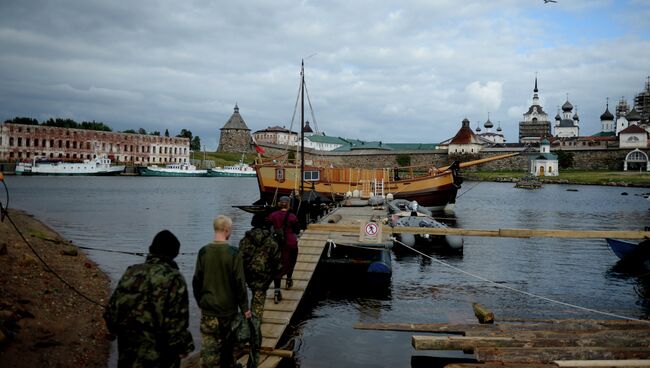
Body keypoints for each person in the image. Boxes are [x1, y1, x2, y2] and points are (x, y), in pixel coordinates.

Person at [103, 230, 194, 368]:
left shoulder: (131, 271)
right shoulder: (174, 278)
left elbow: (111, 313)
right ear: (174, 254)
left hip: (127, 356)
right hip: (159, 360)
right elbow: (177, 325)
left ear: (151, 250)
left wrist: (118, 333)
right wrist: (184, 348)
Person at [193, 215, 251, 368]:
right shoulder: (233, 253)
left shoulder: (203, 252)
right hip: (228, 311)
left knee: (208, 351)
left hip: (208, 310)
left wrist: (201, 302)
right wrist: (245, 308)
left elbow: (196, 281)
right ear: (227, 230)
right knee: (228, 350)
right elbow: (240, 283)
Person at [239, 213, 282, 368]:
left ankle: (243, 332)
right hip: (263, 280)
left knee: (246, 307)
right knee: (257, 308)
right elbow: (278, 264)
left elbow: (239, 260)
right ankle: (254, 342)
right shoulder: (271, 241)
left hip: (247, 278)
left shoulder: (244, 241)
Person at [267, 196, 300, 303]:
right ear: (289, 204)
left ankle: (277, 291)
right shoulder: (292, 217)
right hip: (290, 243)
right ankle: (289, 280)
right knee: (291, 262)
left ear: (279, 203)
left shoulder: (273, 215)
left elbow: (267, 225)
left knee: (277, 266)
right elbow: (297, 229)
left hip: (277, 244)